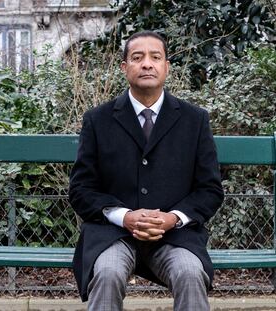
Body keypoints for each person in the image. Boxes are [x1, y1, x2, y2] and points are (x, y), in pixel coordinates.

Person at [69, 30, 224, 311]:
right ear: (124, 67)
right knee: (107, 273)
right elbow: (81, 190)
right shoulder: (98, 120)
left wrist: (172, 219)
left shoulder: (194, 120)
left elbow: (210, 190)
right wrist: (124, 216)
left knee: (190, 273)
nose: (147, 64)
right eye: (137, 57)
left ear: (167, 66)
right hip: (113, 234)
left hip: (176, 236)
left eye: (156, 57)